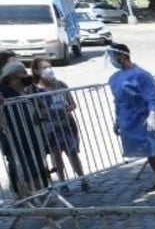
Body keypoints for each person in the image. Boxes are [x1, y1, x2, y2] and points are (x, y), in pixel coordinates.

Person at [107, 43, 155, 198]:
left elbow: (152, 96)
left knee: (154, 152)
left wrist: (152, 113)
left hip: (144, 118)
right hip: (129, 118)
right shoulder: (115, 78)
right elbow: (118, 101)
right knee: (148, 153)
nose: (112, 59)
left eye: (114, 56)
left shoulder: (141, 75)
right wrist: (117, 120)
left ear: (123, 55)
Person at [32, 57, 89, 192]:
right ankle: (62, 183)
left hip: (67, 124)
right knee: (56, 156)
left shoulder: (61, 84)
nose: (49, 70)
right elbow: (37, 110)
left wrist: (66, 110)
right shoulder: (36, 90)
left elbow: (73, 104)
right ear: (36, 71)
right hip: (51, 127)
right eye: (44, 68)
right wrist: (47, 112)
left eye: (50, 66)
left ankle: (83, 180)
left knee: (73, 153)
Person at [0, 60, 50, 197]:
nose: (26, 75)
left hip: (32, 136)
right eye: (22, 73)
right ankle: (25, 198)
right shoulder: (3, 92)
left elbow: (38, 108)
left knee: (37, 168)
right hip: (14, 139)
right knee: (22, 171)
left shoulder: (25, 91)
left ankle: (41, 197)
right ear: (12, 76)